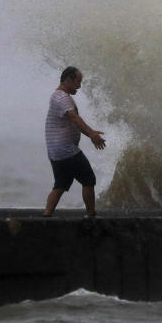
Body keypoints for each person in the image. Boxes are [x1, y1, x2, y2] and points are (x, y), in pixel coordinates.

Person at [43, 66, 106, 217]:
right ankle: (91, 215)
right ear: (68, 80)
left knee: (60, 185)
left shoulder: (59, 96)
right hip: (66, 150)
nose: (79, 85)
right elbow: (74, 118)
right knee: (89, 179)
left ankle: (46, 216)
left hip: (56, 152)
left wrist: (90, 133)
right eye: (78, 81)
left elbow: (74, 123)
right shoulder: (62, 98)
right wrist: (91, 134)